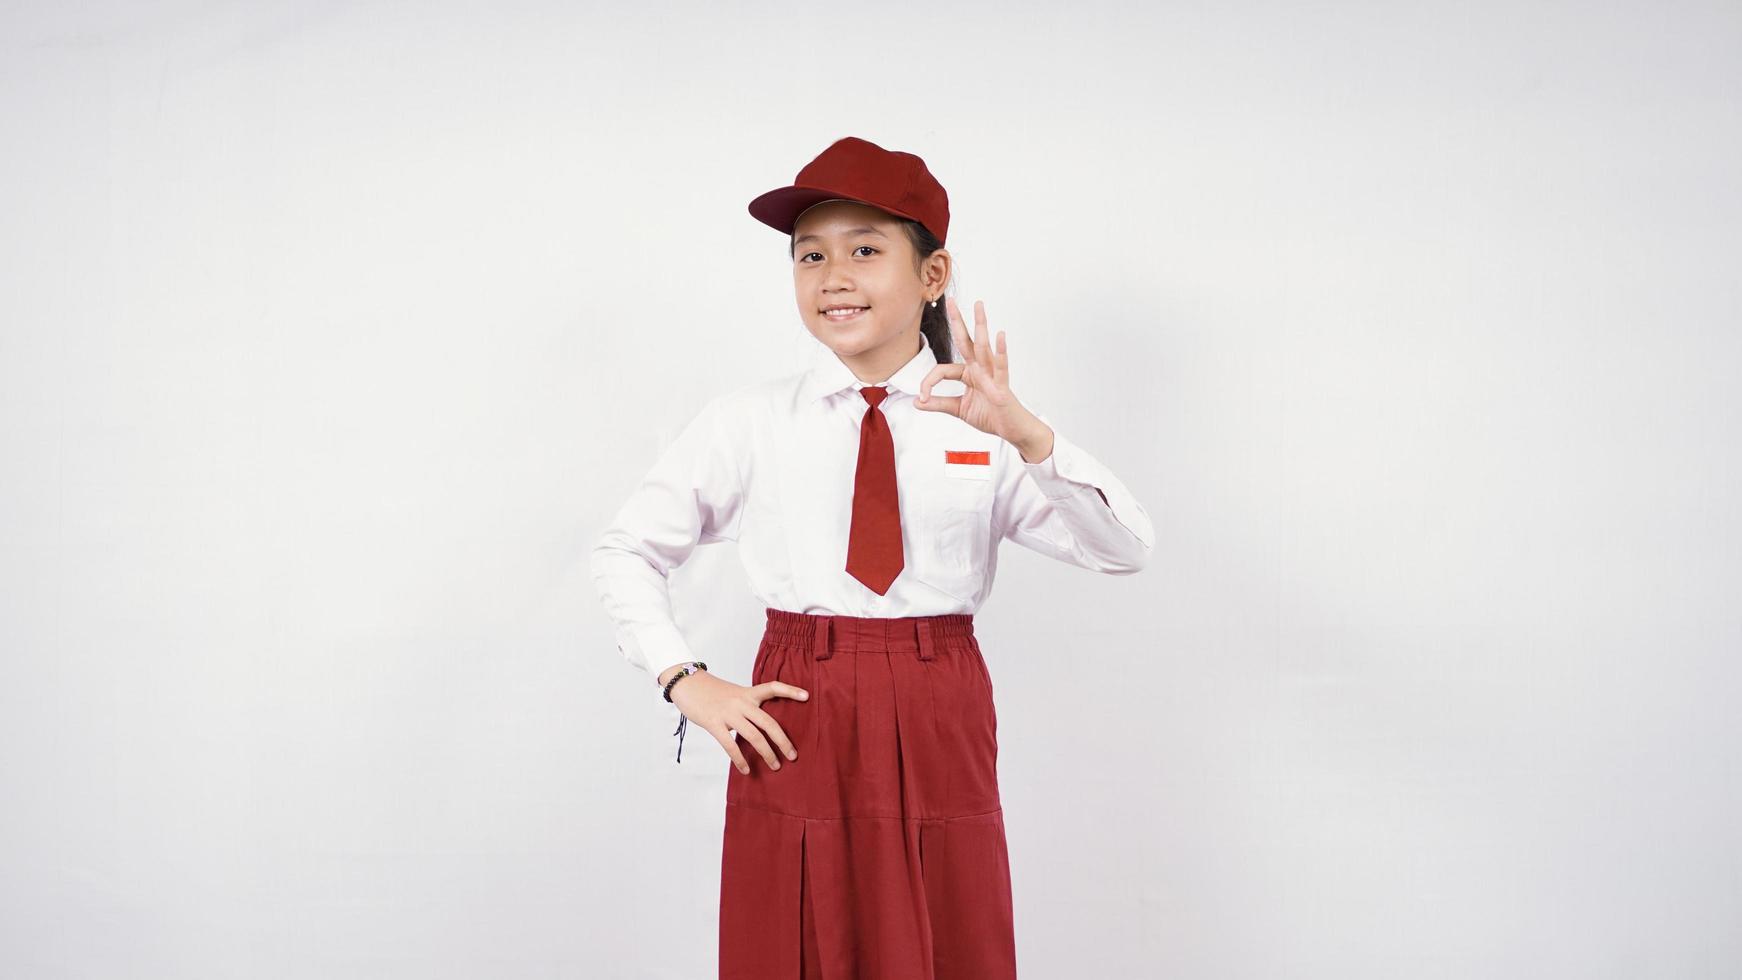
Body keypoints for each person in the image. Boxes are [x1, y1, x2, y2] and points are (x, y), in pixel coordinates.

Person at [590, 135, 1155, 980]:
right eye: (810, 255)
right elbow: (626, 546)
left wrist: (1031, 436)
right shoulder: (752, 420)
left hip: (937, 696)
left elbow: (1124, 551)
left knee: (947, 925)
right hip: (798, 700)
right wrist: (685, 678)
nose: (833, 276)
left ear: (933, 275)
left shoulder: (985, 424)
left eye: (865, 249)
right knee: (794, 930)